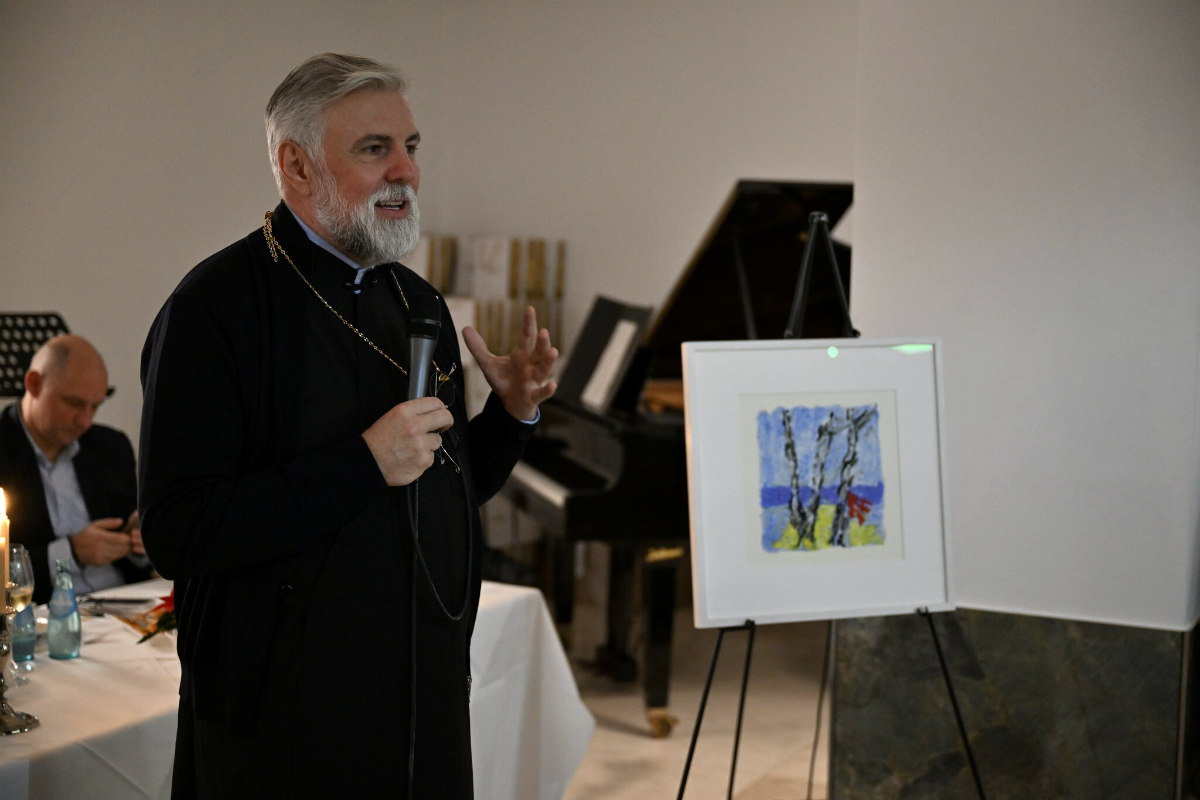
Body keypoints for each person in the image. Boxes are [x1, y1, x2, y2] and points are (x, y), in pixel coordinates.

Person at [138, 53, 557, 799]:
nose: (406, 172)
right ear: (296, 166)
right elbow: (178, 531)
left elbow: (441, 495)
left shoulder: (418, 303)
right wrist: (363, 463)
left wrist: (513, 415)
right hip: (287, 718)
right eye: (374, 149)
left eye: (411, 147)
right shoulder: (213, 309)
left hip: (420, 698)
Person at [0, 334, 150, 603]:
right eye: (74, 403)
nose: (85, 421)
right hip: (41, 611)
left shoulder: (111, 446)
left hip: (123, 602)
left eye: (95, 406)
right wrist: (71, 553)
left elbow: (137, 554)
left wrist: (140, 543)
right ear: (34, 384)